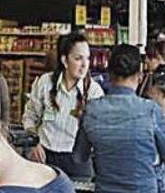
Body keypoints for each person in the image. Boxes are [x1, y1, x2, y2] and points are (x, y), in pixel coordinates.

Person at [74, 44, 165, 193]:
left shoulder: (91, 110)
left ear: (109, 74)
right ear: (139, 76)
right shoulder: (150, 111)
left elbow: (79, 157)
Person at [23, 32, 104, 180]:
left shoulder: (94, 91)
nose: (85, 64)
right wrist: (34, 143)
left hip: (78, 162)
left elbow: (99, 133)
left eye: (87, 58)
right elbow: (30, 116)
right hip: (45, 157)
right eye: (78, 58)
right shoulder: (45, 83)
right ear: (65, 61)